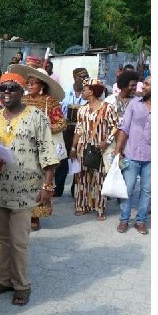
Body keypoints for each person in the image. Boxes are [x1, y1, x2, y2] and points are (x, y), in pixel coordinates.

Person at [0, 73, 58, 306]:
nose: (5, 93)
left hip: (25, 190)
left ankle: (22, 284)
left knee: (18, 241)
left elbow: (48, 151)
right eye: (2, 88)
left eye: (12, 89)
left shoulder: (37, 117)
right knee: (0, 240)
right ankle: (5, 280)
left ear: (22, 91)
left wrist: (47, 185)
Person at [9, 64, 67, 231]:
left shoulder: (51, 101)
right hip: (23, 147)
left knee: (40, 182)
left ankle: (35, 215)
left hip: (44, 148)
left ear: (42, 85)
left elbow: (62, 123)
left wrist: (45, 127)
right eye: (28, 82)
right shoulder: (22, 100)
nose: (30, 85)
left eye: (34, 83)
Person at [69, 78, 119, 221]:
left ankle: (99, 208)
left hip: (100, 149)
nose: (83, 91)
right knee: (82, 178)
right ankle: (82, 206)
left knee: (100, 179)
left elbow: (116, 126)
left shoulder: (107, 108)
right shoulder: (82, 109)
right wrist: (73, 147)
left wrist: (107, 141)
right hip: (83, 148)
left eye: (85, 89)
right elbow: (78, 129)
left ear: (92, 91)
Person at [115, 76, 151, 235]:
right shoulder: (134, 104)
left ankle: (141, 221)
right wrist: (118, 150)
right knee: (128, 189)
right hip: (132, 154)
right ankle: (124, 220)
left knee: (147, 190)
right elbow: (124, 128)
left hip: (151, 158)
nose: (142, 87)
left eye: (147, 85)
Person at [59, 68, 89, 197]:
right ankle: (58, 188)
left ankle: (74, 189)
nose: (84, 80)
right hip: (66, 131)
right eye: (82, 77)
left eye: (86, 77)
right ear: (75, 78)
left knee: (79, 160)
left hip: (82, 131)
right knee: (62, 161)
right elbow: (59, 111)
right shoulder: (65, 93)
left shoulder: (88, 94)